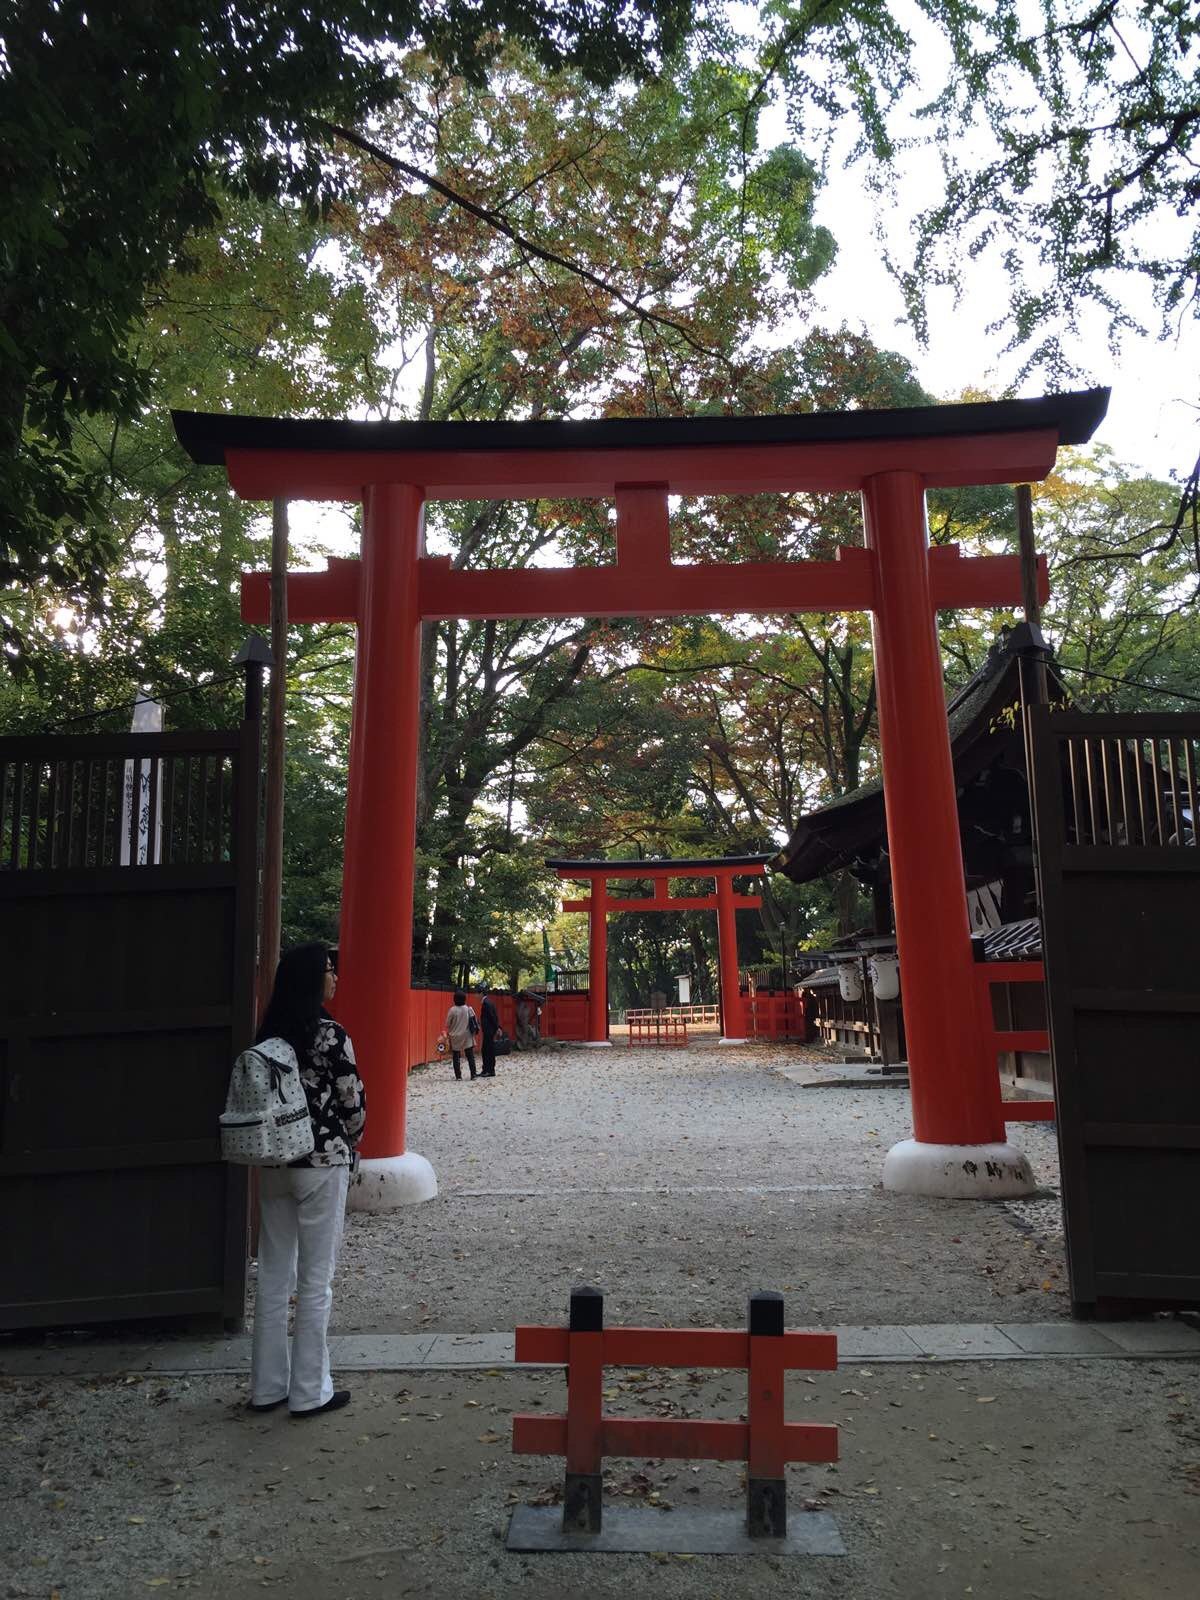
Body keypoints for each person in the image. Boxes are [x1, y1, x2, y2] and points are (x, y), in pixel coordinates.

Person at [249, 942, 366, 1418]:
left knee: (274, 1276)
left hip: (274, 1163)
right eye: (329, 970)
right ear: (313, 980)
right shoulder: (330, 1036)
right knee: (316, 1280)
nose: (334, 977)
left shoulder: (267, 1038)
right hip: (322, 1161)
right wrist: (349, 1139)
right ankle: (309, 1391)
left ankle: (266, 1387)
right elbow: (352, 1104)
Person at [444, 990, 478, 1081]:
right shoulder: (468, 1009)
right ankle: (473, 1074)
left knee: (456, 1056)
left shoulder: (452, 1010)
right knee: (470, 1055)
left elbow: (447, 1024)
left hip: (455, 1036)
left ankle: (458, 1076)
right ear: (464, 999)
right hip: (467, 1035)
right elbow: (474, 1020)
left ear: (454, 999)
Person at [479, 983, 501, 1077]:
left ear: (481, 993)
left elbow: (492, 1017)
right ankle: (487, 1069)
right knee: (487, 1049)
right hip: (490, 1029)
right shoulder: (489, 1002)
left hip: (489, 1030)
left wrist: (497, 1028)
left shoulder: (486, 1004)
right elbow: (494, 1016)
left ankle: (489, 1070)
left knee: (487, 1050)